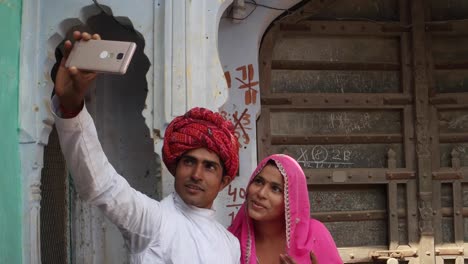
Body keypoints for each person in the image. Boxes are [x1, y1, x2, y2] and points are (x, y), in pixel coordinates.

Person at [52, 31, 241, 263]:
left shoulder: (230, 245)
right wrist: (71, 107)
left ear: (224, 181)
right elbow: (102, 185)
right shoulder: (154, 221)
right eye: (189, 161)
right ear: (176, 166)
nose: (196, 174)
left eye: (209, 167)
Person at [228, 154, 343, 264]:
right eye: (258, 181)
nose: (261, 193)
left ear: (291, 200)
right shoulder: (232, 239)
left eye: (275, 189)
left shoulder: (314, 235)